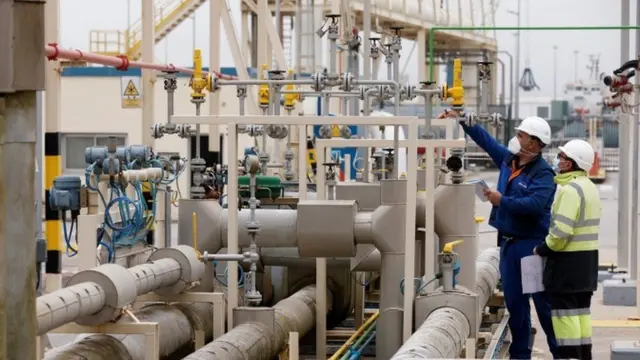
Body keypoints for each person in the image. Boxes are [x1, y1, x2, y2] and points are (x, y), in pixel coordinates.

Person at [459, 113, 560, 359]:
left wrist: (500, 200)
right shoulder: (509, 160)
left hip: (532, 248)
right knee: (516, 305)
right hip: (509, 246)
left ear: (533, 143)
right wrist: (465, 120)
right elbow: (488, 142)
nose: (516, 139)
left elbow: (534, 205)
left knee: (543, 306)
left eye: (521, 135)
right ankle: (520, 354)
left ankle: (562, 352)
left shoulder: (543, 174)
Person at [534, 139, 601, 360]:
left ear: (571, 164)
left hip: (568, 264)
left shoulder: (570, 190)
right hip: (587, 263)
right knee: (581, 313)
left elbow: (561, 232)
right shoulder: (589, 187)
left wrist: (543, 249)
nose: (558, 160)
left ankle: (569, 356)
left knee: (565, 316)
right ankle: (583, 355)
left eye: (562, 157)